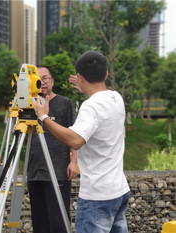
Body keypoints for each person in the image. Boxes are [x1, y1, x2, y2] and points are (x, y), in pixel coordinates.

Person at [34, 51, 130, 233]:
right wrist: (88, 89)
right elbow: (99, 113)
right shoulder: (116, 98)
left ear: (79, 77)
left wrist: (44, 117)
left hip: (97, 196)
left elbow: (76, 140)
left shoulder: (91, 106)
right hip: (119, 190)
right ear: (106, 74)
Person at [27, 65, 78, 233]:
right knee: (39, 222)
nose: (42, 82)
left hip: (58, 170)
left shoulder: (64, 103)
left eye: (45, 78)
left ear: (52, 81)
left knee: (58, 221)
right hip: (35, 171)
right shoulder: (29, 105)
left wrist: (73, 162)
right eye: (37, 79)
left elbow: (74, 134)